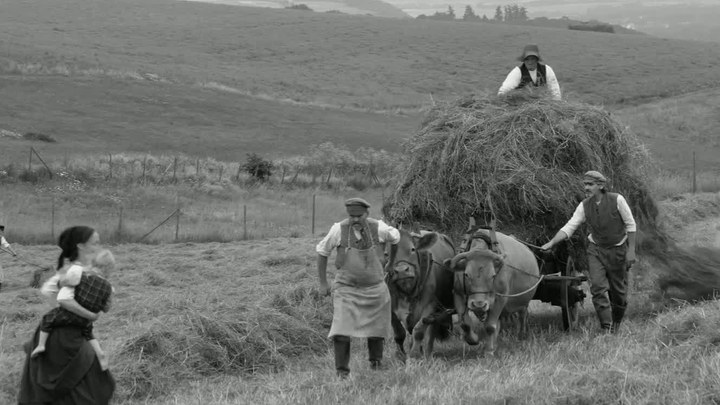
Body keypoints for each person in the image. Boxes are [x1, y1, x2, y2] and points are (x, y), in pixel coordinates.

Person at [18, 226, 115, 405]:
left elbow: (105, 304)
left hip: (77, 332)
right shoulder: (73, 269)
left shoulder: (90, 271)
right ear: (81, 246)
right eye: (95, 243)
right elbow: (54, 294)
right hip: (61, 335)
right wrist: (90, 315)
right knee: (75, 387)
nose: (99, 247)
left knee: (90, 381)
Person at [541, 171, 637, 333]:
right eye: (585, 184)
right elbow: (570, 227)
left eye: (590, 184)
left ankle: (617, 323)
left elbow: (631, 225)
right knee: (598, 288)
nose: (586, 187)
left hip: (618, 250)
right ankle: (606, 327)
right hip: (596, 250)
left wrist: (631, 251)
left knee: (619, 293)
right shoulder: (584, 206)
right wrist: (551, 242)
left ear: (601, 185)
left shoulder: (617, 200)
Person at [316, 197, 400, 378]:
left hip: (375, 287)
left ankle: (376, 365)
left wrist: (391, 263)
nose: (354, 219)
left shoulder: (381, 228)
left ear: (367, 214)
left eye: (359, 216)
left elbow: (396, 239)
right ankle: (342, 372)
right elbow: (322, 252)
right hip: (346, 289)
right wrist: (323, 283)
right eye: (351, 216)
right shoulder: (338, 229)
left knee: (377, 329)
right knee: (340, 331)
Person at [31, 248, 116, 371]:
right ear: (109, 269)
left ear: (93, 263)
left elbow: (62, 297)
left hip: (67, 315)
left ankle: (41, 345)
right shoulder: (109, 287)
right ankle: (100, 353)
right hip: (85, 322)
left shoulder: (80, 275)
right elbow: (106, 308)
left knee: (47, 318)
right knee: (89, 333)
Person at [498, 44, 562, 100]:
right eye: (527, 59)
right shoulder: (517, 72)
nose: (530, 62)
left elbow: (555, 90)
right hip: (521, 106)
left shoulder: (547, 70)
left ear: (537, 60)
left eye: (532, 59)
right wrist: (501, 96)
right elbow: (505, 89)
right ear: (524, 60)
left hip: (542, 104)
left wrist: (556, 103)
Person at [0, 224, 18, 292]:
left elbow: (6, 245)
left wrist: (13, 252)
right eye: (2, 231)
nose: (2, 232)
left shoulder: (1, 238)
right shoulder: (1, 237)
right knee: (0, 275)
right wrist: (13, 252)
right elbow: (7, 245)